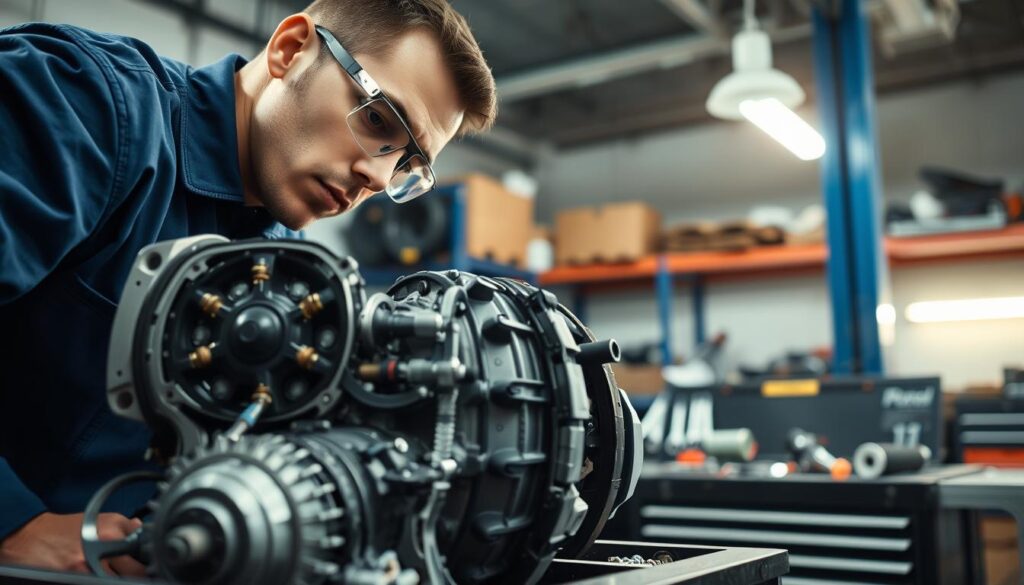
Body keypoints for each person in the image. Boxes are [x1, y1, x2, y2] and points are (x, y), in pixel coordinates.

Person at [0, 0, 496, 575]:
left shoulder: (294, 276)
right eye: (380, 120)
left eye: (409, 164)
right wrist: (14, 525)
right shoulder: (83, 105)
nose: (379, 179)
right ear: (290, 51)